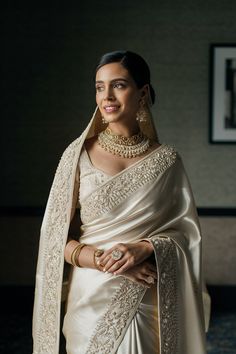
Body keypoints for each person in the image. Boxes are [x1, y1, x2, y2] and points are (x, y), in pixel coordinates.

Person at [32, 50, 210, 354]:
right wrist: (106, 262)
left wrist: (145, 248)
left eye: (119, 85)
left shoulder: (167, 161)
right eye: (100, 87)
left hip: (147, 295)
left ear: (142, 93)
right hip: (91, 297)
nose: (107, 96)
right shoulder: (77, 157)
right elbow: (55, 238)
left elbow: (187, 235)